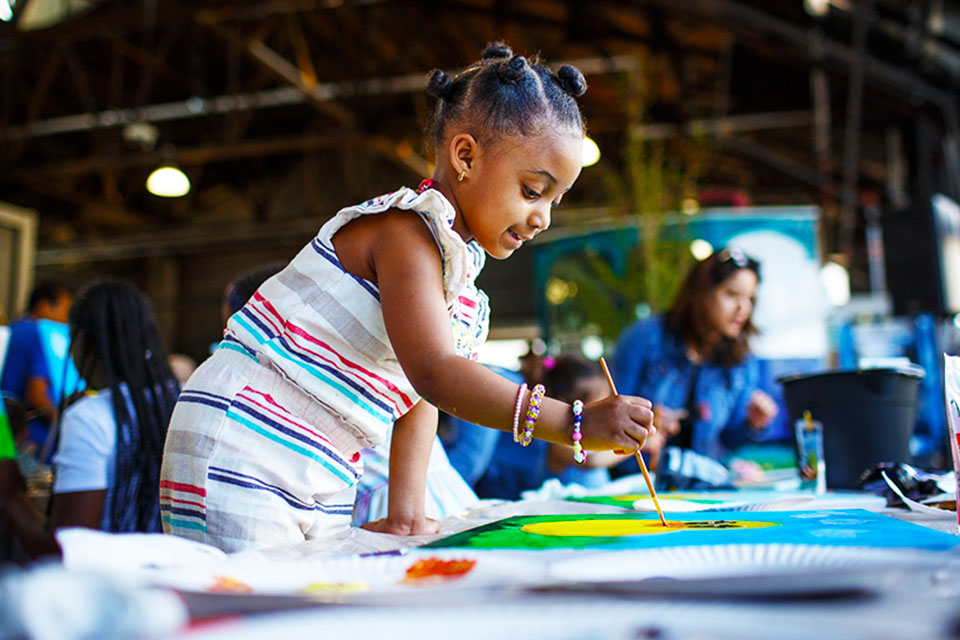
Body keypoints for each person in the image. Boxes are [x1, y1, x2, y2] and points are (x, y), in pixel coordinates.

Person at [160, 42, 654, 552]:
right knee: (250, 598)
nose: (543, 217)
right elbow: (435, 373)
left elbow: (419, 395)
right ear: (465, 156)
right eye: (532, 191)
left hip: (322, 465)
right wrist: (573, 423)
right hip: (245, 445)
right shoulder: (406, 234)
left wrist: (406, 515)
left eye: (555, 200)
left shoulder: (456, 276)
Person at [0, 278, 180, 558]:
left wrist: (10, 494)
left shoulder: (90, 417)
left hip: (106, 579)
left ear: (85, 343)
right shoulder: (180, 400)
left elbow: (64, 550)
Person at [611, 246, 778, 467]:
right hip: (638, 477)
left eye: (750, 299)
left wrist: (753, 423)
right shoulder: (645, 338)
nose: (743, 308)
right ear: (702, 293)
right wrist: (645, 423)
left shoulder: (740, 358)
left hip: (701, 480)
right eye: (732, 295)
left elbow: (728, 440)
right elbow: (611, 417)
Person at [447, 356, 631, 500]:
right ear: (568, 407)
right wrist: (633, 444)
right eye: (597, 408)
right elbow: (591, 461)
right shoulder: (559, 443)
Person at [0, 282, 74, 456]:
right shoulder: (40, 334)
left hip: (7, 427)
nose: (66, 319)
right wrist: (67, 424)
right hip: (31, 438)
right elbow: (37, 394)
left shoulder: (13, 328)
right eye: (65, 310)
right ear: (44, 306)